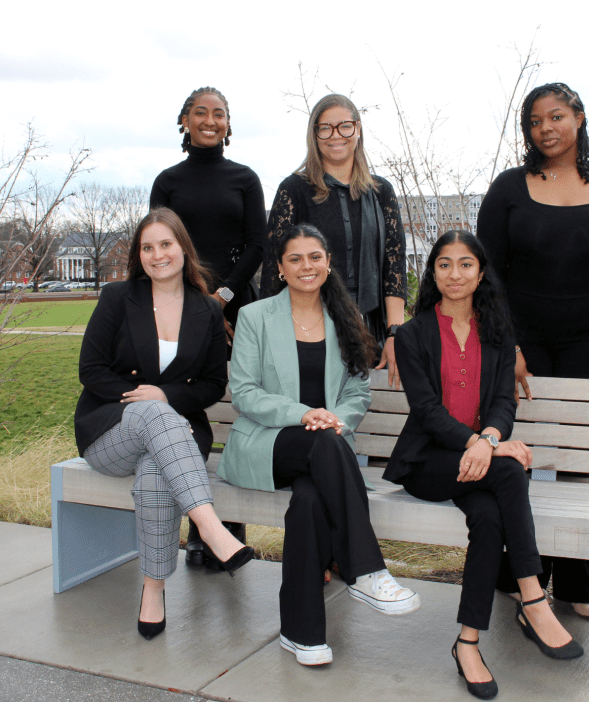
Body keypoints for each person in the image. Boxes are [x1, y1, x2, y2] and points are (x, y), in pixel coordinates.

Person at [383, 230, 583, 700]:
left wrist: (490, 439)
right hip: (429, 463)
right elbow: (428, 411)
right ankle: (532, 597)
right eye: (445, 264)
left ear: (481, 272)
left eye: (466, 264)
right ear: (432, 273)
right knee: (512, 470)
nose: (456, 274)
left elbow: (502, 402)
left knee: (490, 521)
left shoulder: (497, 332)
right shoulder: (412, 335)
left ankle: (467, 643)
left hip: (478, 461)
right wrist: (482, 445)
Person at [217, 223, 420, 666]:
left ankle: (302, 633)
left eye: (315, 257)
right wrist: (304, 414)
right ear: (280, 268)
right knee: (325, 446)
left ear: (328, 264)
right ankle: (365, 568)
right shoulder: (255, 317)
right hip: (265, 445)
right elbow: (245, 393)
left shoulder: (347, 319)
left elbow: (357, 394)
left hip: (324, 450)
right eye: (295, 259)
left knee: (310, 500)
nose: (306, 266)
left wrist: (337, 420)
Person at [477, 81, 589, 618]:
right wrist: (507, 343)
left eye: (555, 116)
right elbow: (488, 274)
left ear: (578, 118)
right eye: (533, 120)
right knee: (516, 459)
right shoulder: (508, 189)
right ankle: (520, 573)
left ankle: (575, 584)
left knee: (577, 465)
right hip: (521, 344)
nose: (544, 128)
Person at [74, 208, 255, 641]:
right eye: (148, 247)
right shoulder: (118, 297)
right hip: (110, 431)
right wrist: (148, 398)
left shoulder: (207, 311)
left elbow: (213, 383)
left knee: (157, 473)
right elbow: (90, 369)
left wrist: (167, 397)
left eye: (166, 245)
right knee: (155, 414)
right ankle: (211, 529)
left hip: (175, 436)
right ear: (140, 255)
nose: (158, 255)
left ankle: (152, 590)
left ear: (183, 249)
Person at [150, 85, 266, 566]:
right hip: (179, 305)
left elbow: (257, 245)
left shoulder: (245, 178)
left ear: (228, 124)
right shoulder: (167, 181)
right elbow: (157, 244)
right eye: (201, 112)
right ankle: (198, 528)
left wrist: (220, 299)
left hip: (236, 309)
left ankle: (230, 524)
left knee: (239, 409)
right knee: (184, 408)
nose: (211, 120)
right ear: (185, 121)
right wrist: (197, 305)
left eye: (219, 114)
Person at [260, 94, 406, 386]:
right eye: (325, 128)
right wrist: (272, 338)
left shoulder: (381, 192)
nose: (335, 135)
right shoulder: (294, 190)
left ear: (358, 128)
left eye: (344, 126)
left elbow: (394, 267)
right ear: (314, 135)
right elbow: (273, 270)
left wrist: (395, 334)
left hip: (369, 332)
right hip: (307, 328)